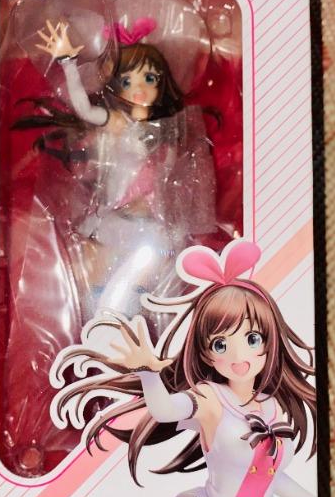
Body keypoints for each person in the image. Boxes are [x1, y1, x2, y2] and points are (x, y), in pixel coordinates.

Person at [51, 240, 317, 497]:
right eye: (221, 344)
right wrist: (148, 372)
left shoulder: (274, 407)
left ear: (269, 340)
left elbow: (272, 478)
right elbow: (164, 410)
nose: (238, 356)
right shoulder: (210, 399)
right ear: (207, 353)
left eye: (252, 338)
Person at [23, 17, 216, 320]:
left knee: (149, 284)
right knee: (102, 275)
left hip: (154, 224)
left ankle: (138, 327)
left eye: (149, 78)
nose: (139, 89)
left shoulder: (171, 130)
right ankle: (99, 322)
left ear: (162, 82)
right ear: (116, 87)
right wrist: (68, 63)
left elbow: (179, 181)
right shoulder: (117, 123)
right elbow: (84, 109)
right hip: (117, 217)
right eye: (127, 81)